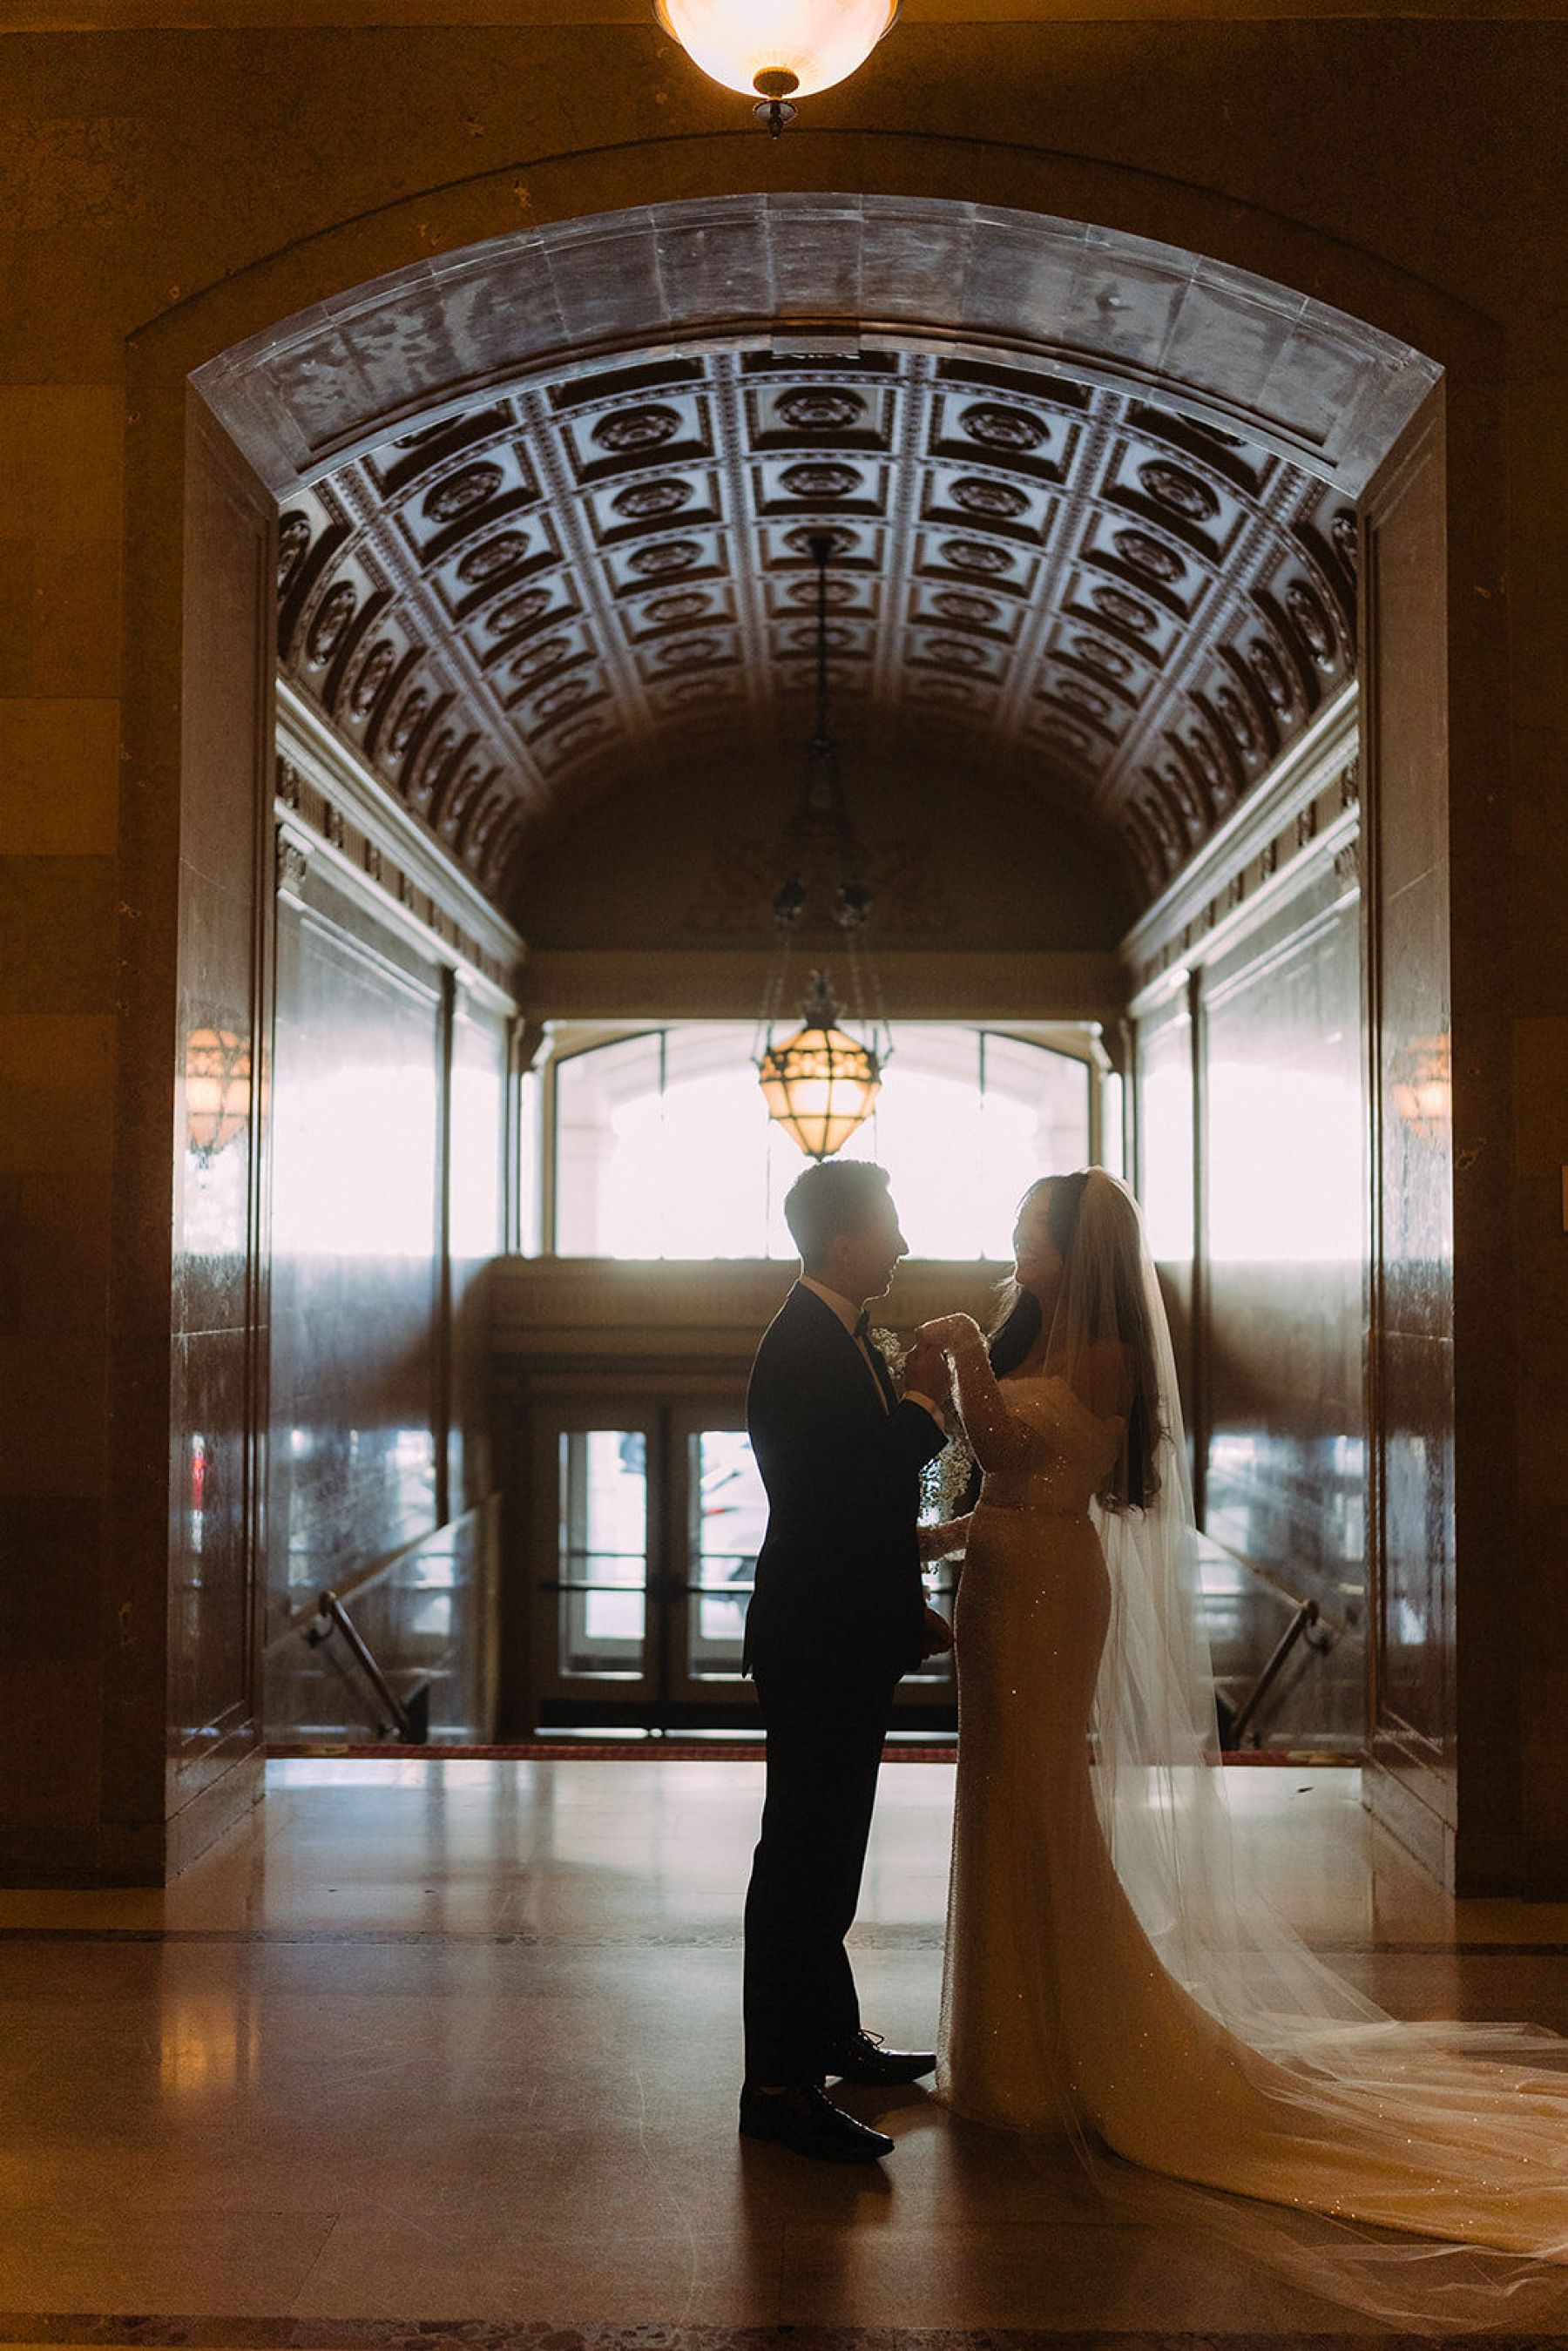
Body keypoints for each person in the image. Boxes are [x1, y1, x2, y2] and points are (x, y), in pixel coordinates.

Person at [916, 1168, 1568, 2315]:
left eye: (1035, 1229)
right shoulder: (1035, 1337)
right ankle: (1008, 2046)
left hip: (1049, 1597)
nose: (1018, 1241)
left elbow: (1023, 1450)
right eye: (1017, 1225)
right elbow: (1009, 1484)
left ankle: (1065, 2046)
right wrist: (945, 1527)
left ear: (1083, 1248)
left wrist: (965, 1353)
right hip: (997, 1581)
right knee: (993, 1794)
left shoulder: (1106, 1350)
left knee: (1037, 1799)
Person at [740, 1159, 955, 2165]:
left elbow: (865, 1515)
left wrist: (905, 1607)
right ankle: (777, 2084)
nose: (905, 1244)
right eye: (893, 1224)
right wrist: (923, 1408)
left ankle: (829, 2035)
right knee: (801, 1863)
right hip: (817, 1637)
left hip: (845, 1625)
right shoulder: (802, 1348)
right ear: (843, 1243)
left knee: (831, 1855)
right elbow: (848, 1484)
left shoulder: (836, 1334)